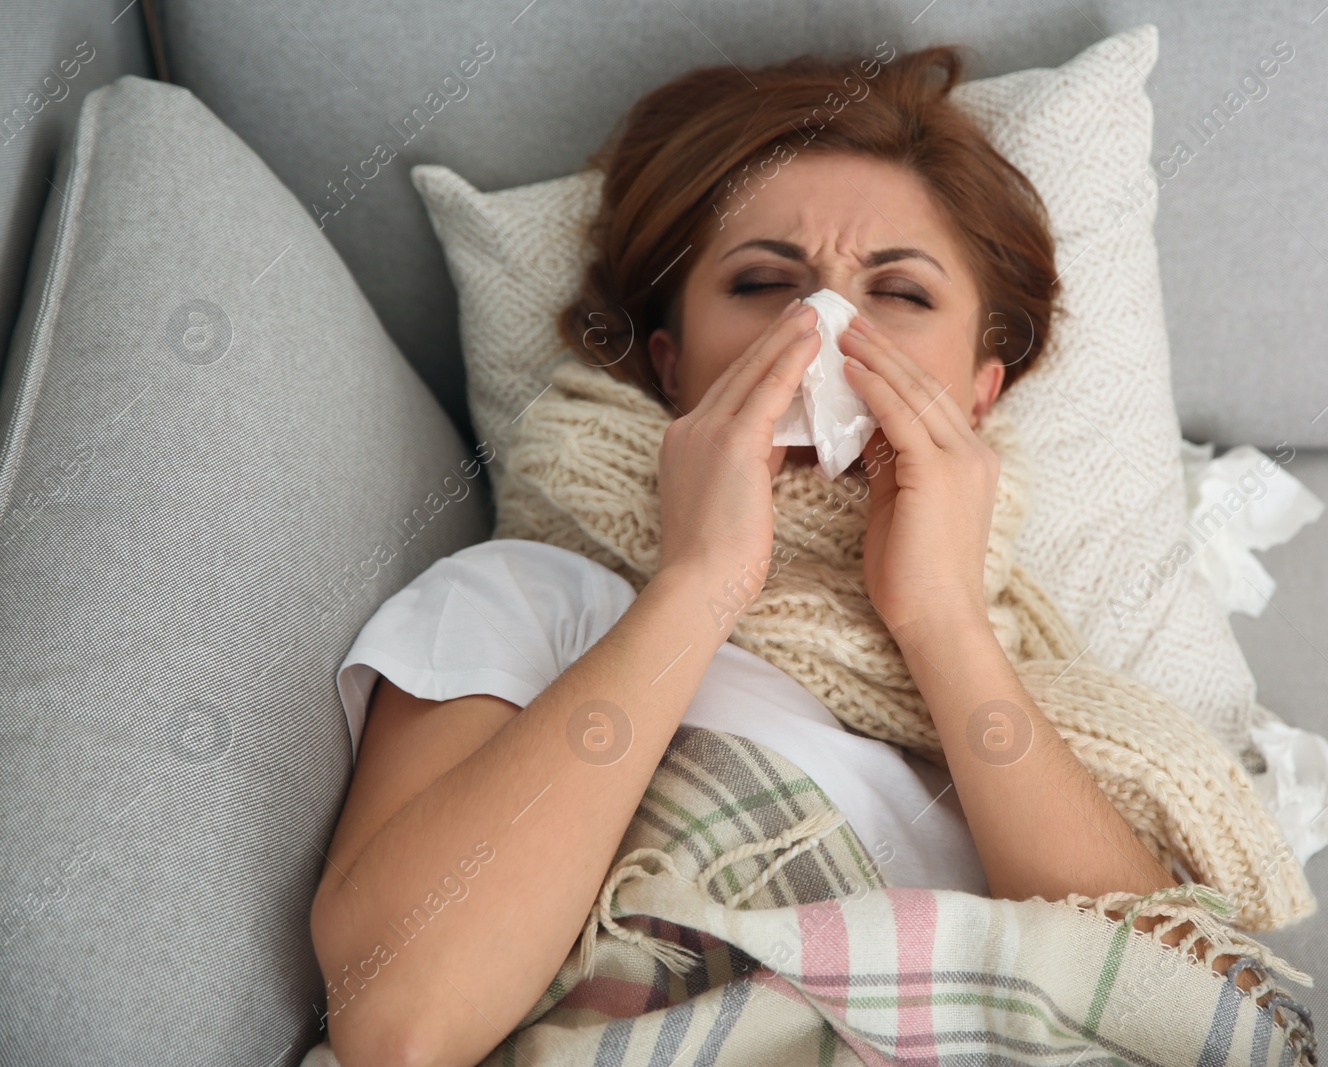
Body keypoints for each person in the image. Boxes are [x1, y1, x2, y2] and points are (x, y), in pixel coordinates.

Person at [308, 44, 1217, 1067]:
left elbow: (1185, 1018)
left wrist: (941, 619)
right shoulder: (528, 598)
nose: (822, 330)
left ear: (977, 392)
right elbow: (400, 1026)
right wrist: (699, 584)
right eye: (763, 282)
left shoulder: (1056, 710)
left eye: (902, 295)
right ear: (673, 364)